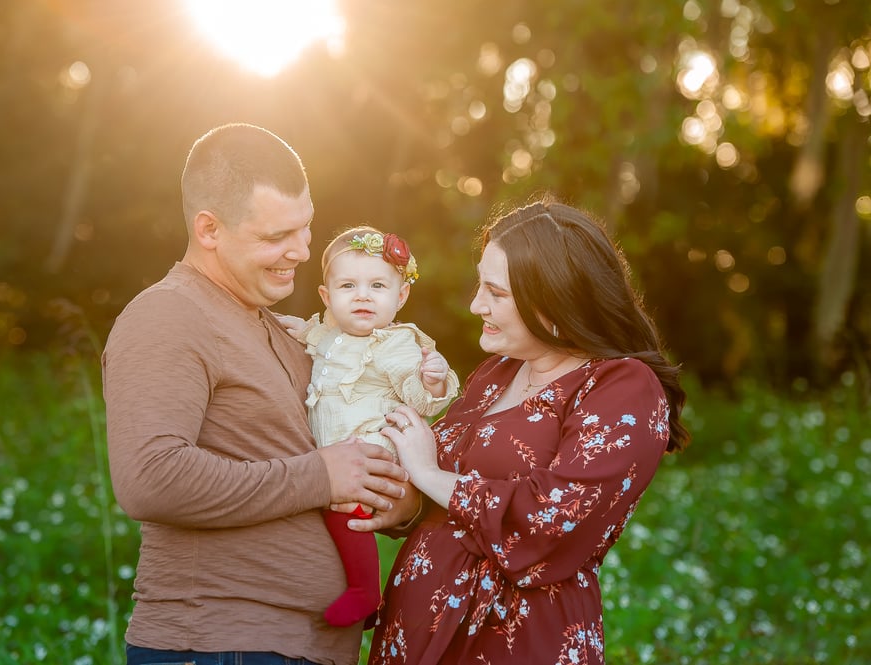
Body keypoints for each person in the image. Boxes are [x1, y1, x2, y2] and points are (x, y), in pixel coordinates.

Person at [102, 123, 414, 665]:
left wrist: (395, 499)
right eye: (275, 237)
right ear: (209, 229)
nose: (300, 251)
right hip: (220, 643)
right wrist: (322, 475)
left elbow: (328, 460)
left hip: (303, 648)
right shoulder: (168, 315)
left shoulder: (283, 329)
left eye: (305, 227)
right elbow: (149, 478)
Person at [356, 197, 690, 664]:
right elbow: (451, 499)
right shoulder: (497, 373)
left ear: (555, 298)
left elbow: (552, 520)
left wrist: (428, 474)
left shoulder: (622, 386)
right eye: (480, 286)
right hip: (418, 636)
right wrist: (406, 505)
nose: (476, 305)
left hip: (515, 640)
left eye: (496, 292)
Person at [278, 226, 460, 628]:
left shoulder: (395, 344)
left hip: (370, 448)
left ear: (401, 295)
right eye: (348, 285)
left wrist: (432, 380)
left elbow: (418, 396)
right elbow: (313, 335)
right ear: (327, 297)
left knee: (347, 508)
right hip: (336, 449)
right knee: (328, 508)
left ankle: (366, 591)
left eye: (377, 285)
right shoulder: (329, 334)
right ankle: (341, 582)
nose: (362, 295)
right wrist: (291, 327)